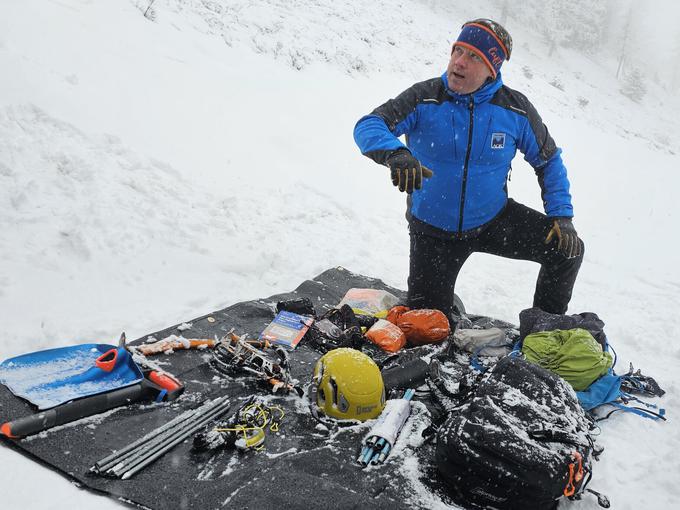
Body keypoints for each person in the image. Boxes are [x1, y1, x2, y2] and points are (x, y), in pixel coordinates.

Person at [353, 18, 583, 319]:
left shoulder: (514, 109)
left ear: (492, 68)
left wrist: (561, 215)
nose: (459, 62)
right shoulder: (425, 97)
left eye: (474, 56)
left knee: (567, 250)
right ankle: (439, 304)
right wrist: (395, 154)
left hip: (493, 220)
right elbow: (370, 124)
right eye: (457, 51)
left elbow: (548, 159)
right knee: (428, 328)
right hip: (433, 231)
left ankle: (545, 331)